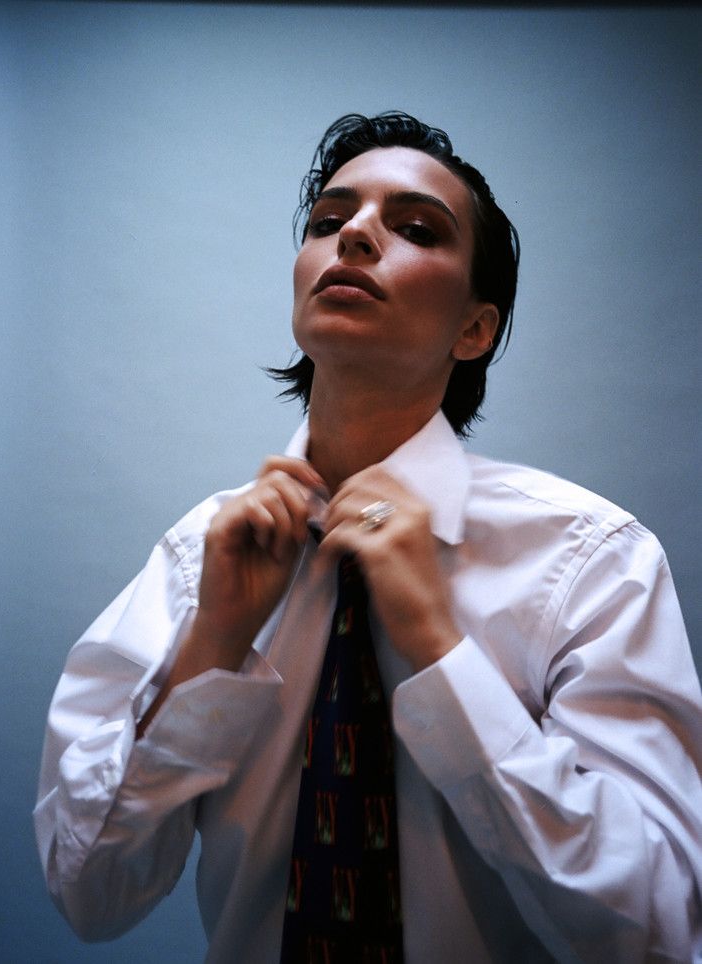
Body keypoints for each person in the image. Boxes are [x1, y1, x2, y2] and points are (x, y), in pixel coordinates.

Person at [35, 112, 702, 963]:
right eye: (328, 220)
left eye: (416, 228)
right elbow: (88, 892)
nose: (353, 232)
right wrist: (212, 648)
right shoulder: (197, 558)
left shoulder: (592, 560)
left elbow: (661, 929)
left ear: (475, 328)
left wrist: (436, 643)